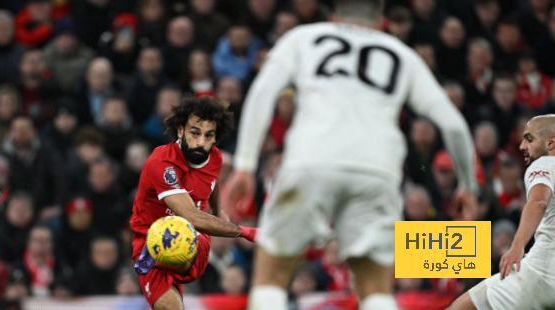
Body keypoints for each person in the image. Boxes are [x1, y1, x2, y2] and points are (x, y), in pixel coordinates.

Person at [224, 1, 479, 310]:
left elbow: (262, 92)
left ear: (333, 18)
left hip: (310, 161)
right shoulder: (401, 55)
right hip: (377, 170)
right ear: (382, 22)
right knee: (376, 290)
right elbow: (454, 126)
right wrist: (467, 185)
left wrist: (245, 166)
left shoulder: (303, 38)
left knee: (271, 278)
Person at [130, 95, 258, 310]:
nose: (202, 142)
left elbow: (212, 179)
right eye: (195, 133)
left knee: (180, 234)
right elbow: (190, 214)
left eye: (209, 136)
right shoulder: (162, 162)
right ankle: (157, 253)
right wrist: (247, 232)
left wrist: (218, 210)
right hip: (148, 237)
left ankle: (160, 255)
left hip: (194, 236)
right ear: (180, 131)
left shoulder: (214, 156)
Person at [448, 114, 555, 309]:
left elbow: (539, 201)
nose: (522, 145)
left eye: (529, 139)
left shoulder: (544, 164)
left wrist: (517, 245)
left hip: (541, 274)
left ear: (551, 142)